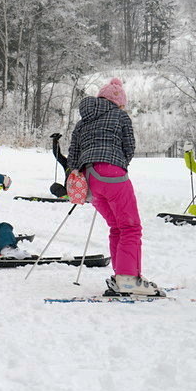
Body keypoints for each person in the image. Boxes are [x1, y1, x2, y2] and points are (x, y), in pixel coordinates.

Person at [67, 77, 158, 296]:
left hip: (89, 179)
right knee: (130, 227)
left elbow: (72, 154)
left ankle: (123, 276)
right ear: (118, 101)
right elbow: (129, 146)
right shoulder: (120, 116)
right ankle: (127, 278)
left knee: (117, 227)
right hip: (112, 173)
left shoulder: (83, 121)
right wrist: (120, 164)